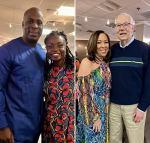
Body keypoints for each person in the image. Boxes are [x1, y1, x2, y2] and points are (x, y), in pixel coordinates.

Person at [0, 7, 46, 143]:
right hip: (13, 127)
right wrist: (2, 126)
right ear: (22, 24)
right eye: (30, 21)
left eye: (39, 22)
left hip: (35, 126)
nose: (34, 26)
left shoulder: (42, 53)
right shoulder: (6, 51)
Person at [109, 13, 150, 143]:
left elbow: (149, 81)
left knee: (135, 140)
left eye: (126, 24)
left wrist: (142, 107)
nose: (122, 28)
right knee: (114, 140)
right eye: (118, 25)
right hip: (113, 106)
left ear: (132, 28)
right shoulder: (112, 50)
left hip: (135, 107)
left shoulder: (145, 49)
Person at [76, 30, 111, 143]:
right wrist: (95, 118)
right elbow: (83, 95)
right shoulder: (87, 62)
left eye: (106, 42)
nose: (103, 45)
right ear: (93, 44)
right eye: (99, 42)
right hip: (91, 114)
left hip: (104, 112)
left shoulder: (104, 62)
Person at [42, 31, 74, 143]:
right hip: (49, 123)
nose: (55, 49)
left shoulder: (75, 69)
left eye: (60, 45)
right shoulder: (45, 71)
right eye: (50, 46)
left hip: (69, 122)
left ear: (66, 47)